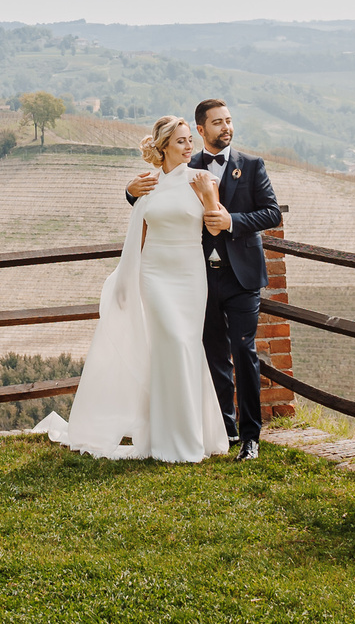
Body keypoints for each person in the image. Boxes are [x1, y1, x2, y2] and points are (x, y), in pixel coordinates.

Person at [35, 116, 232, 463]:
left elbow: (216, 229)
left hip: (189, 275)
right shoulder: (148, 184)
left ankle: (193, 436)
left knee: (186, 346)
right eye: (182, 141)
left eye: (190, 140)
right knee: (168, 344)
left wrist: (207, 196)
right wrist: (126, 279)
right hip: (154, 275)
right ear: (165, 146)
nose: (190, 147)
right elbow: (138, 234)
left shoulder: (203, 180)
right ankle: (166, 439)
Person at [123, 98, 281, 460]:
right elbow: (151, 203)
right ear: (200, 129)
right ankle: (222, 428)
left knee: (244, 350)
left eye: (229, 121)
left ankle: (251, 435)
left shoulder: (252, 166)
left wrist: (233, 222)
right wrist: (129, 192)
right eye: (217, 122)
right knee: (211, 353)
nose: (226, 127)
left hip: (242, 276)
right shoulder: (185, 166)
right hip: (198, 276)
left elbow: (271, 212)